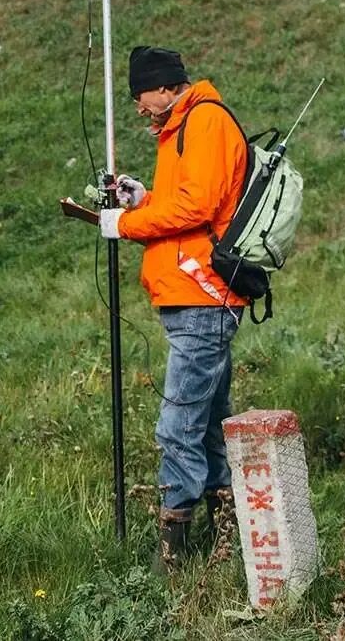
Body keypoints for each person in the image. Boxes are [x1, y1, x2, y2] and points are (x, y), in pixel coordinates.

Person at [98, 46, 248, 571]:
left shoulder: (203, 122)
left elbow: (199, 207)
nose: (139, 107)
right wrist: (145, 199)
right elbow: (186, 199)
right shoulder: (187, 124)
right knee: (207, 424)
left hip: (201, 296)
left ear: (163, 87)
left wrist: (127, 225)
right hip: (197, 295)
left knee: (178, 425)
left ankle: (174, 554)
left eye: (140, 95)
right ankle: (228, 540)